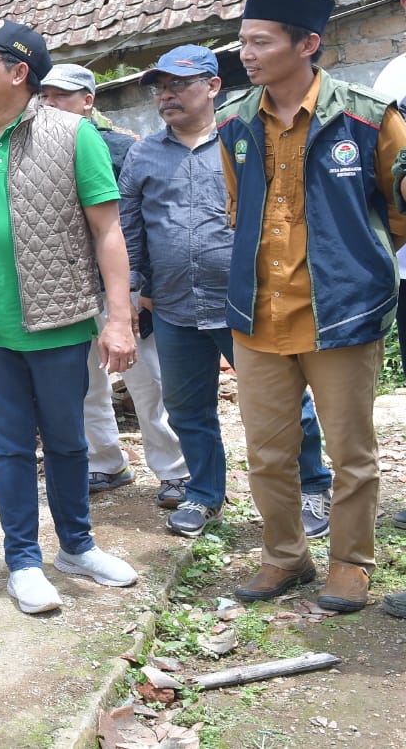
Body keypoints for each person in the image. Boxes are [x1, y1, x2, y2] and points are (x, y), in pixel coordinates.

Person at [0, 20, 139, 616]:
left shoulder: (73, 135)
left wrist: (118, 319)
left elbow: (107, 230)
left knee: (70, 441)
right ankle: (23, 559)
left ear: (19, 72)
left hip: (60, 318)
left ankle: (76, 546)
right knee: (9, 447)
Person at [218, 0, 406, 613]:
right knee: (267, 453)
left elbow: (398, 213)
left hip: (342, 312)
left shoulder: (367, 117)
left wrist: (362, 266)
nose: (246, 53)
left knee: (350, 452)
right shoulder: (235, 123)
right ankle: (284, 556)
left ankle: (351, 562)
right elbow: (237, 207)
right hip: (259, 314)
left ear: (308, 45)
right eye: (243, 41)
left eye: (260, 41)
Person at [120, 45, 330, 537]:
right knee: (188, 407)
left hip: (249, 304)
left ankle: (314, 486)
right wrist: (134, 292)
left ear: (213, 87)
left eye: (178, 84)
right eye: (160, 87)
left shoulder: (245, 140)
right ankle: (205, 494)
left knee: (283, 402)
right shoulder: (144, 154)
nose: (166, 95)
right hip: (174, 307)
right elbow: (130, 230)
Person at [40, 64, 189, 509]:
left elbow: (143, 222)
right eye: (44, 96)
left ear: (88, 101)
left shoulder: (123, 149)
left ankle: (177, 472)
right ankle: (106, 462)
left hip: (120, 287)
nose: (49, 104)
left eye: (61, 96)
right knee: (84, 382)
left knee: (147, 380)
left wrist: (143, 286)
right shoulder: (36, 154)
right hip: (68, 287)